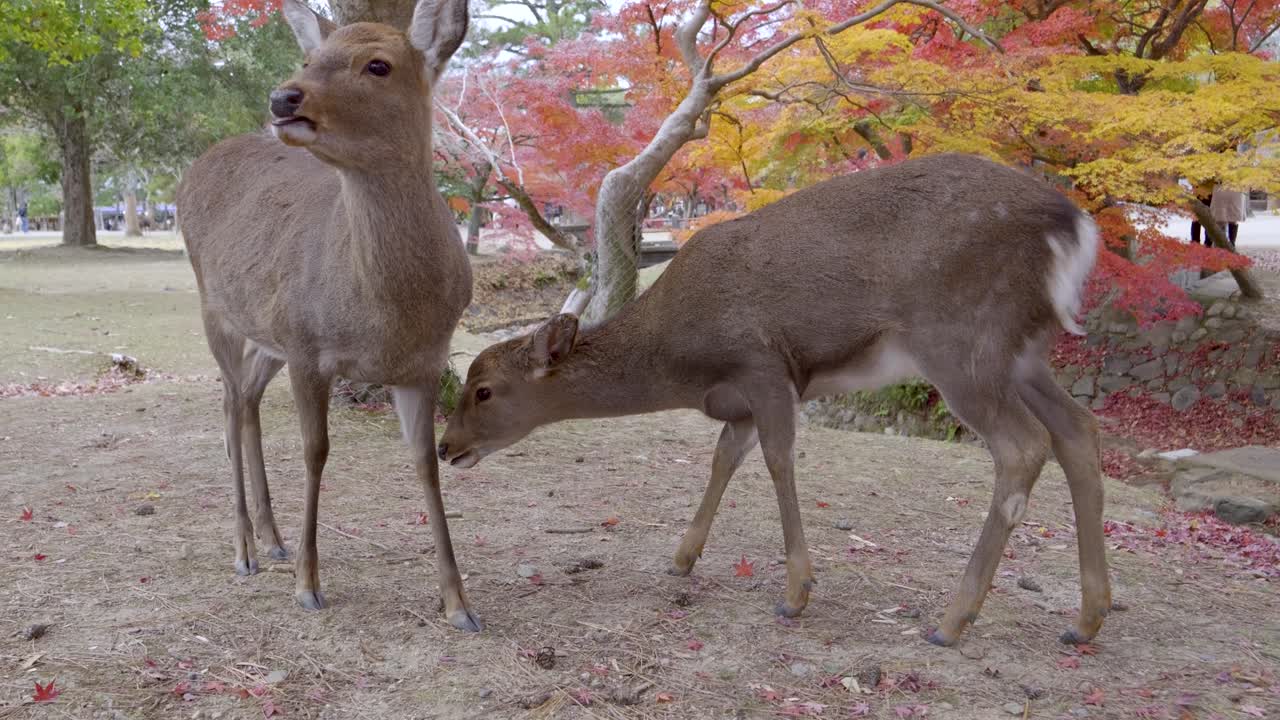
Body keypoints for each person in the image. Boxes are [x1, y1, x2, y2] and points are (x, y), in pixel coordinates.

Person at [1210, 184, 1247, 249]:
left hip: (1222, 189)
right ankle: (1231, 244)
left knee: (1220, 219)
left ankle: (1220, 245)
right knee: (1232, 219)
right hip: (1235, 189)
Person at [1189, 180, 1214, 246]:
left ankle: (1198, 242)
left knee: (1200, 220)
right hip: (1204, 193)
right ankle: (1203, 242)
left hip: (1205, 193)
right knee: (1199, 219)